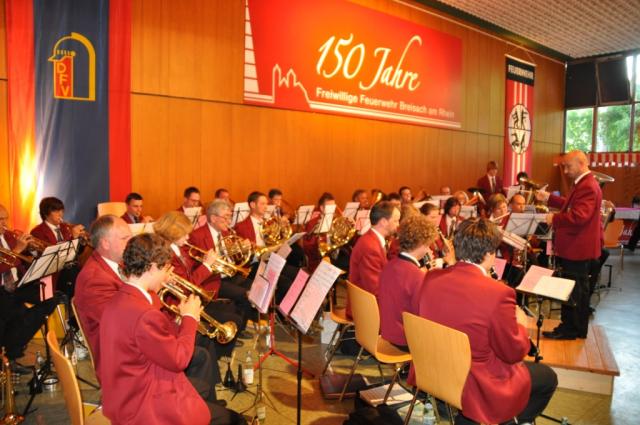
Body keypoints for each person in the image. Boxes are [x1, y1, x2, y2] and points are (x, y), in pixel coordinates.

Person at [414, 218, 557, 425]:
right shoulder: (499, 293)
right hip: (477, 382)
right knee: (548, 378)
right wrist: (521, 325)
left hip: (435, 369)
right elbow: (512, 353)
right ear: (490, 254)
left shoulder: (431, 278)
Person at [99, 234, 245, 425]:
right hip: (144, 402)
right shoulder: (144, 314)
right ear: (152, 267)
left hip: (125, 389)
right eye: (167, 268)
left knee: (202, 386)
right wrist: (189, 318)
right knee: (233, 419)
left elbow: (152, 339)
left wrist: (173, 311)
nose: (168, 274)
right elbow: (179, 360)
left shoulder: (119, 299)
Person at [154, 211, 243, 356]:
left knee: (233, 313)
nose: (188, 237)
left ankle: (219, 354)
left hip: (192, 298)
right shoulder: (166, 254)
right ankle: (218, 355)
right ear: (173, 232)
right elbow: (185, 285)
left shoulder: (179, 249)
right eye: (184, 234)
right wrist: (207, 265)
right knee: (232, 319)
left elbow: (190, 272)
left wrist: (207, 261)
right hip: (179, 306)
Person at [536, 150, 603, 340]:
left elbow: (579, 216)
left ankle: (570, 329)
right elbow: (571, 204)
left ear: (581, 163)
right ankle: (577, 329)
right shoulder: (584, 183)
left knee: (572, 290)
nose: (565, 171)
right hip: (577, 247)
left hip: (577, 248)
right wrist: (549, 198)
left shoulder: (587, 185)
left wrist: (554, 218)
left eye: (568, 166)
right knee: (578, 290)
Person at [0, 204, 59, 370]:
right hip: (2, 289)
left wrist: (32, 250)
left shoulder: (9, 236)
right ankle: (10, 354)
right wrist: (18, 249)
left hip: (18, 285)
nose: (4, 223)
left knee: (50, 298)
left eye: (5, 219)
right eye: (0, 219)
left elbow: (21, 260)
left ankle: (14, 344)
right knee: (12, 311)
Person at [74, 215, 132, 379]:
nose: (131, 243)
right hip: (122, 360)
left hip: (131, 343)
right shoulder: (94, 279)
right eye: (125, 238)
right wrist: (150, 286)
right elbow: (123, 323)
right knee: (194, 354)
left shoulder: (116, 264)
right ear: (105, 243)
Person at [188, 200, 253, 325]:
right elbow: (194, 267)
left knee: (253, 287)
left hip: (229, 275)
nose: (229, 221)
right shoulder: (197, 236)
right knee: (244, 294)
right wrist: (210, 261)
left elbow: (233, 258)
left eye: (230, 217)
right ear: (213, 218)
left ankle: (240, 324)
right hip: (213, 280)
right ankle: (237, 326)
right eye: (226, 217)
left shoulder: (226, 232)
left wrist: (241, 249)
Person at [378, 215, 435, 351]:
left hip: (387, 331)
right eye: (428, 245)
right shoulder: (417, 276)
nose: (429, 249)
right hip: (404, 339)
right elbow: (422, 316)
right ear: (422, 244)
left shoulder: (390, 265)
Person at [347, 201, 400, 317]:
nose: (398, 224)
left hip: (369, 302)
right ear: (383, 222)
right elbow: (375, 290)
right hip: (366, 309)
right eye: (396, 220)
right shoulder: (370, 247)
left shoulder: (372, 239)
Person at [30, 197, 85, 297]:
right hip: (52, 272)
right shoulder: (37, 231)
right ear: (46, 213)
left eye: (62, 210)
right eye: (56, 211)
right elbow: (52, 255)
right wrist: (73, 238)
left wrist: (80, 241)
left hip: (69, 268)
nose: (60, 214)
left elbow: (76, 253)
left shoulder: (65, 227)